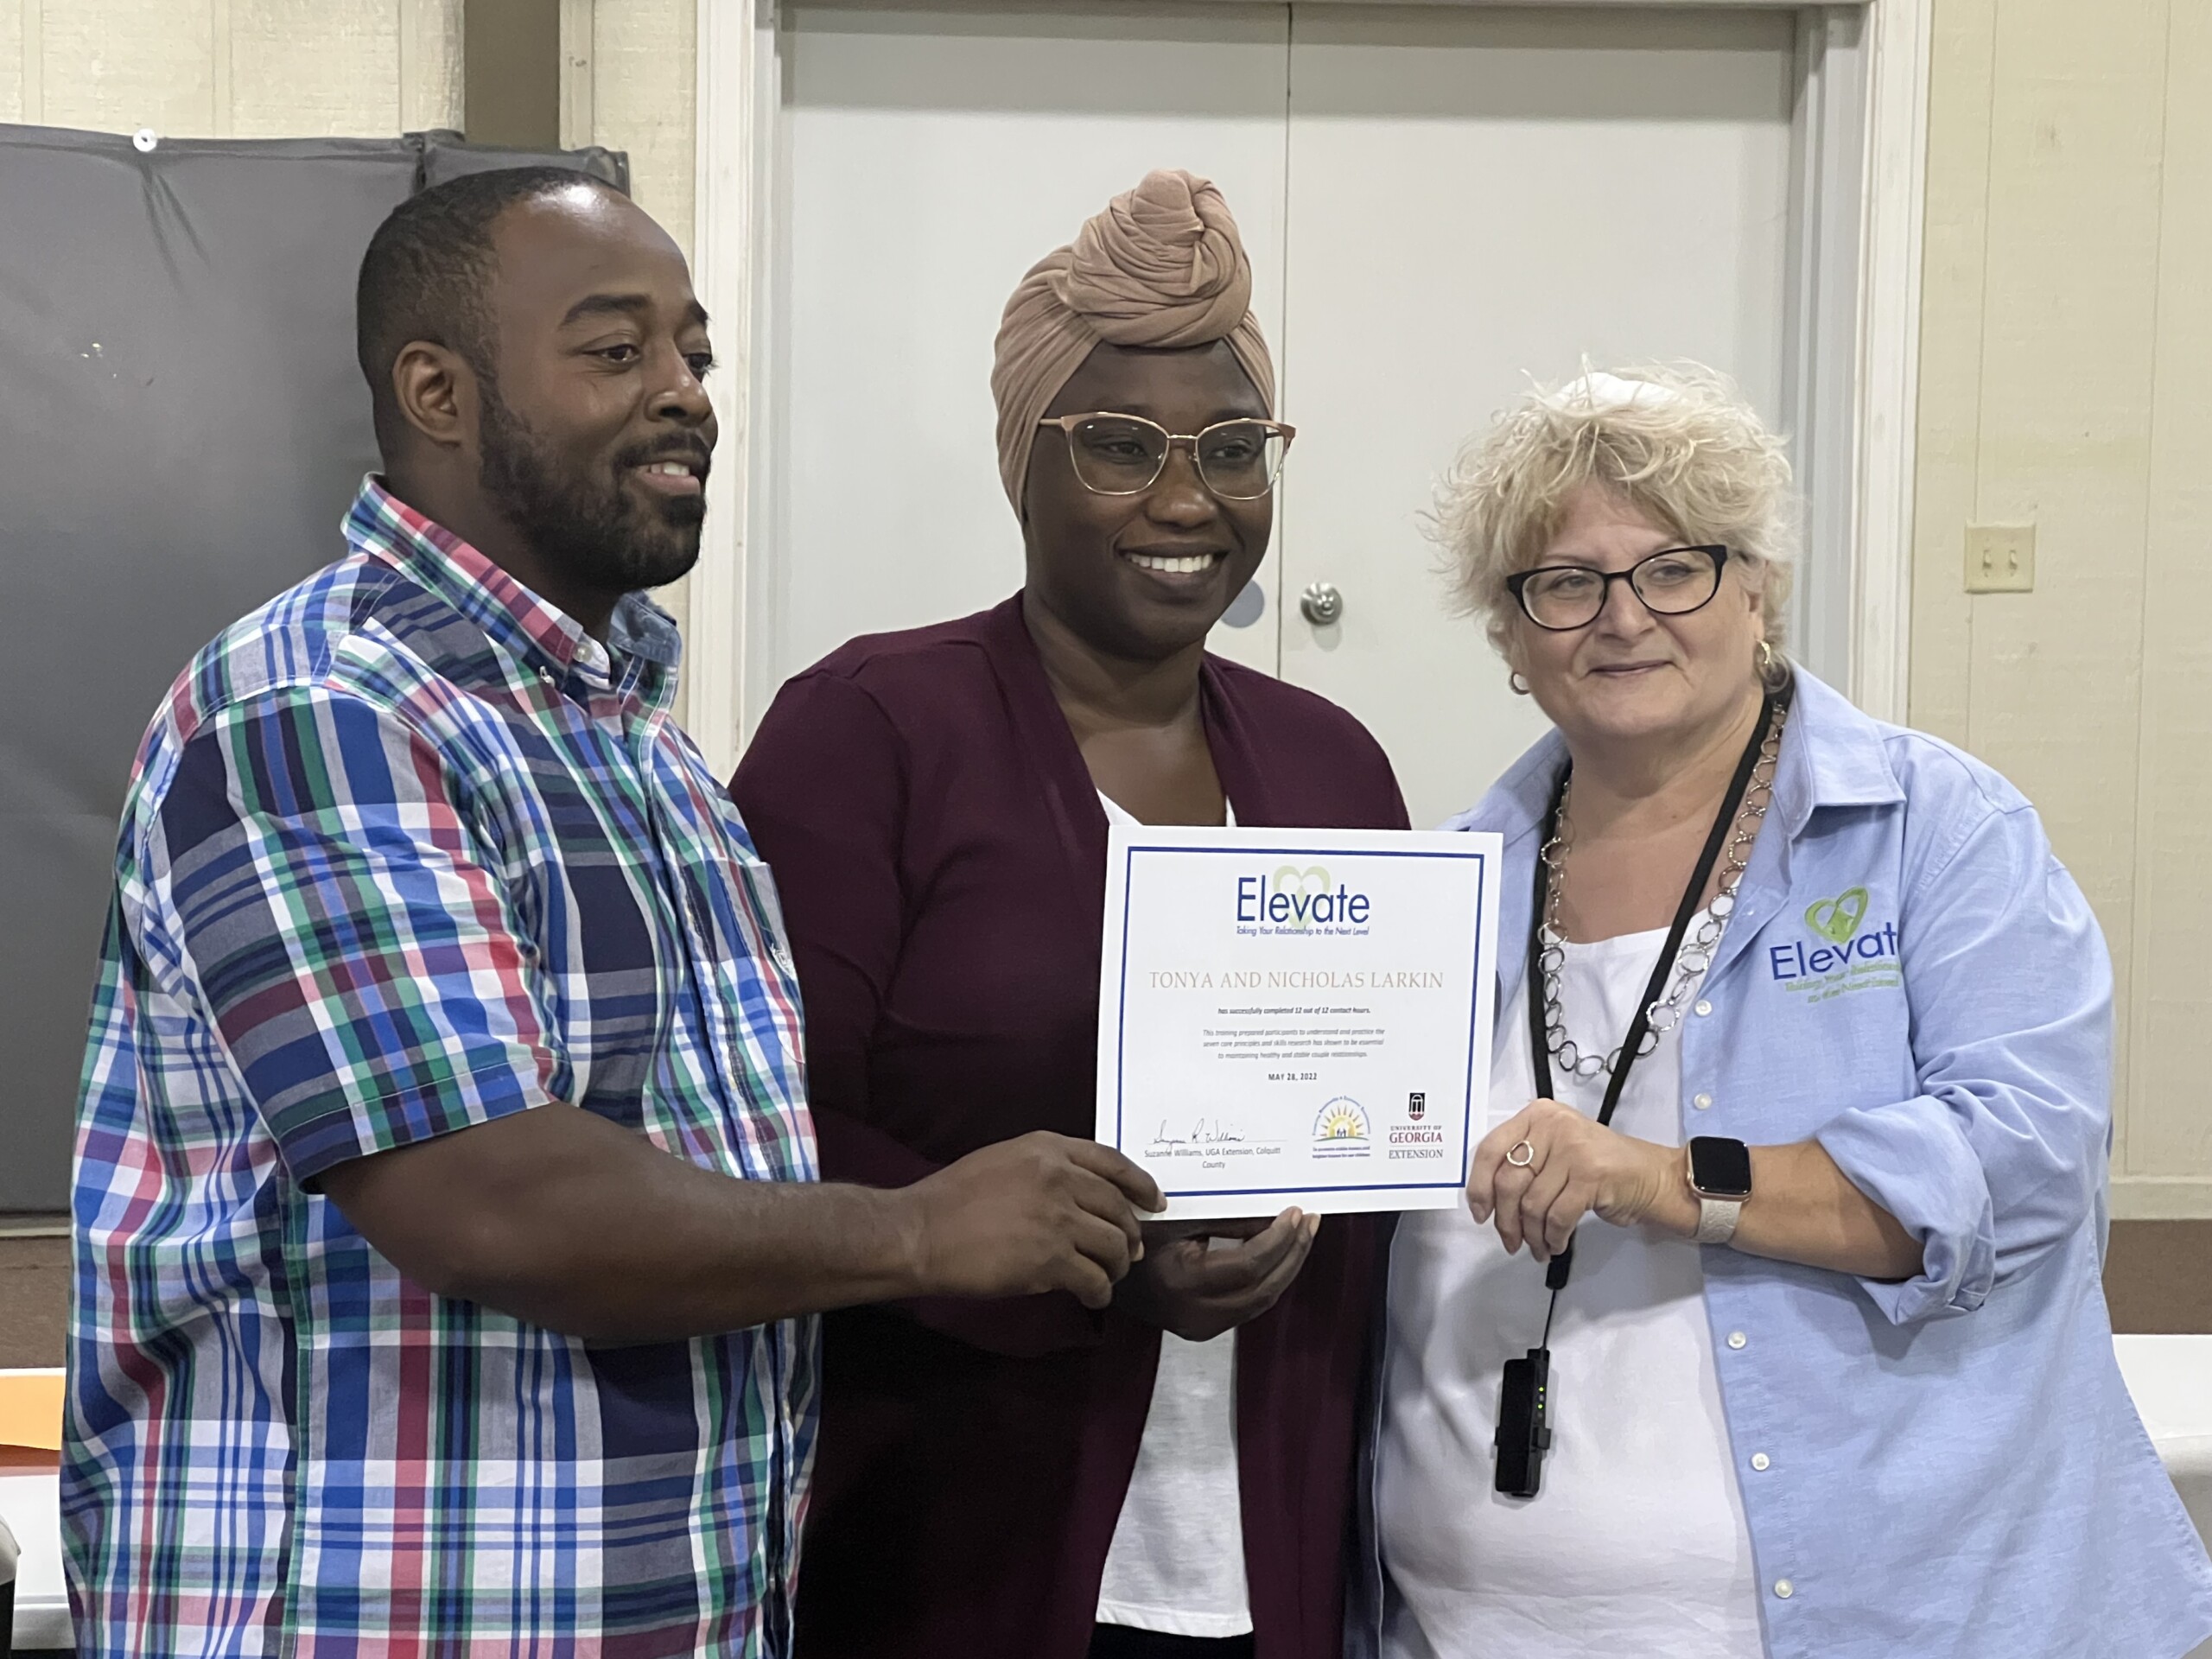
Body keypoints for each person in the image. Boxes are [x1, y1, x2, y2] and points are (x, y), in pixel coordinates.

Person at [63, 166, 1163, 1658]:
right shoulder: (322, 713)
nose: (684, 394)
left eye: (693, 353)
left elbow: (716, 1177)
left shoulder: (637, 740)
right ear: (437, 393)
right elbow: (493, 1202)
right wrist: (918, 1234)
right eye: (614, 349)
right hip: (378, 1619)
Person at [1349, 363, 2212, 1658]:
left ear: (1759, 592)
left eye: (1674, 568)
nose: (1621, 617)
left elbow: (2023, 1162)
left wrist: (1663, 1179)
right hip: (1473, 1624)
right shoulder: (1445, 885)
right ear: (1511, 638)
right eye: (1564, 583)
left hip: (1894, 1618)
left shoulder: (1938, 831)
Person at [729, 169, 1406, 1659]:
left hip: (1266, 1544)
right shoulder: (870, 732)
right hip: (956, 1545)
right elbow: (761, 1128)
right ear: (1018, 462)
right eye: (1119, 446)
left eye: (1235, 449)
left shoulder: (1333, 766)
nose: (1186, 499)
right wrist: (1061, 1253)